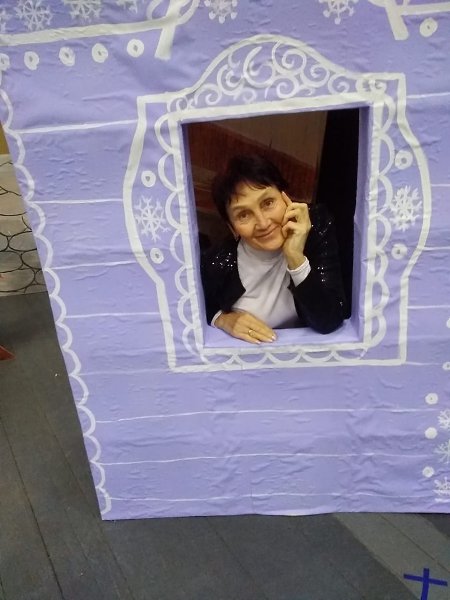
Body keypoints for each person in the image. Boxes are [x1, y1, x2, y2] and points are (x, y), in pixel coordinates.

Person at [200, 154, 346, 344]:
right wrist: (222, 319)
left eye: (268, 203)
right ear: (232, 228)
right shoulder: (217, 262)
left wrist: (295, 258)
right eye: (244, 214)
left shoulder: (315, 226)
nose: (263, 223)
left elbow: (330, 319)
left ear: (286, 197)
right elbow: (192, 309)